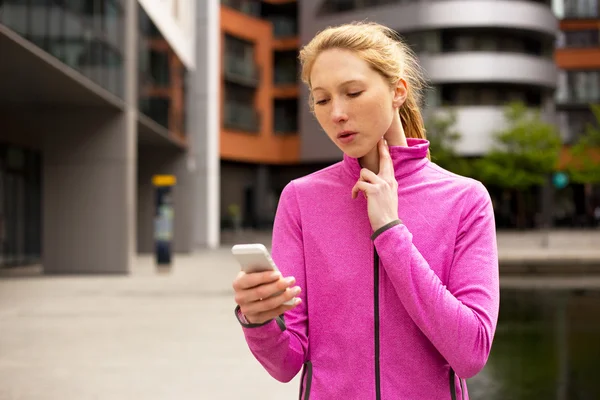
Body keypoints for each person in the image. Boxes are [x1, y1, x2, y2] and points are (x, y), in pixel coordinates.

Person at [232, 21, 499, 400]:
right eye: (322, 100)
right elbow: (287, 363)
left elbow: (471, 353)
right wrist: (258, 321)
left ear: (398, 91)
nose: (337, 113)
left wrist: (391, 231)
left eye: (353, 92)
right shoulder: (300, 200)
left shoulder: (465, 199)